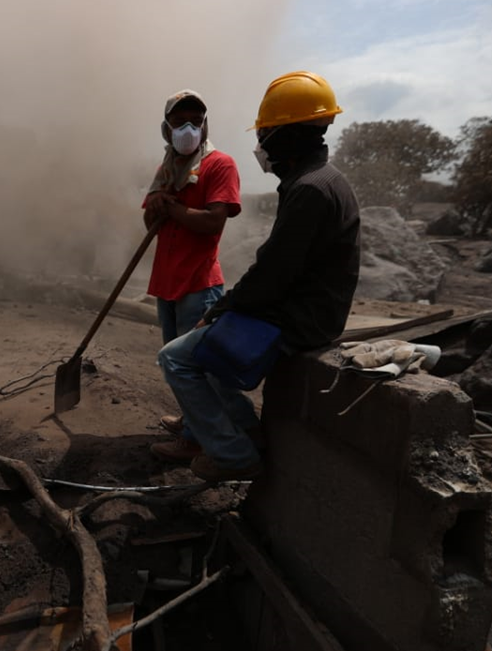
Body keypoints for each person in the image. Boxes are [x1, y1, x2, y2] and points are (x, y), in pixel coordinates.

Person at [155, 71, 361, 482]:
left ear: (290, 136)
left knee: (176, 359)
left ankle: (233, 456)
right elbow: (279, 267)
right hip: (304, 309)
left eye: (267, 134)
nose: (261, 145)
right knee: (210, 360)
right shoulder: (321, 181)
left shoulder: (310, 190)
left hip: (297, 319)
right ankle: (249, 430)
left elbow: (273, 273)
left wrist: (220, 312)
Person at [142, 90, 242, 464]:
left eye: (195, 121)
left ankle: (197, 440)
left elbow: (214, 219)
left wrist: (174, 207)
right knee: (178, 366)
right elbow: (150, 221)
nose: (188, 128)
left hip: (198, 285)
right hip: (166, 282)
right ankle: (192, 421)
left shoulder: (219, 164)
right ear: (167, 129)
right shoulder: (166, 169)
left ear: (205, 124)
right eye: (179, 121)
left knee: (196, 367)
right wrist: (156, 206)